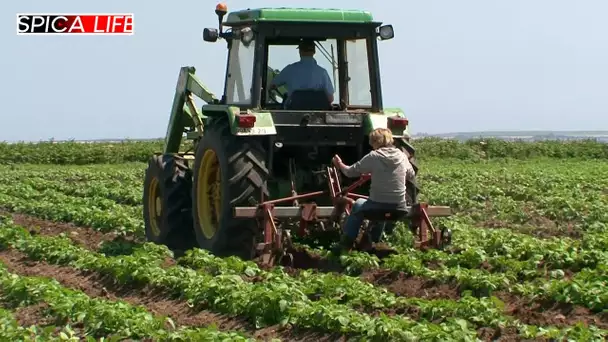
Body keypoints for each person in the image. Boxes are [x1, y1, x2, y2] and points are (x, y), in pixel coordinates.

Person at [332, 128, 416, 252]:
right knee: (382, 212)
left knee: (358, 205)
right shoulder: (402, 156)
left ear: (375, 142)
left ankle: (346, 244)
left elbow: (350, 172)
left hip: (377, 206)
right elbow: (411, 174)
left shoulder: (374, 156)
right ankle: (374, 242)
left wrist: (339, 164)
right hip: (399, 208)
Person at [269, 40, 335, 103]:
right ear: (314, 52)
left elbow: (272, 85)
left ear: (300, 51)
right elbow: (330, 99)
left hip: (292, 111)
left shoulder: (289, 69)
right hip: (318, 112)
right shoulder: (323, 72)